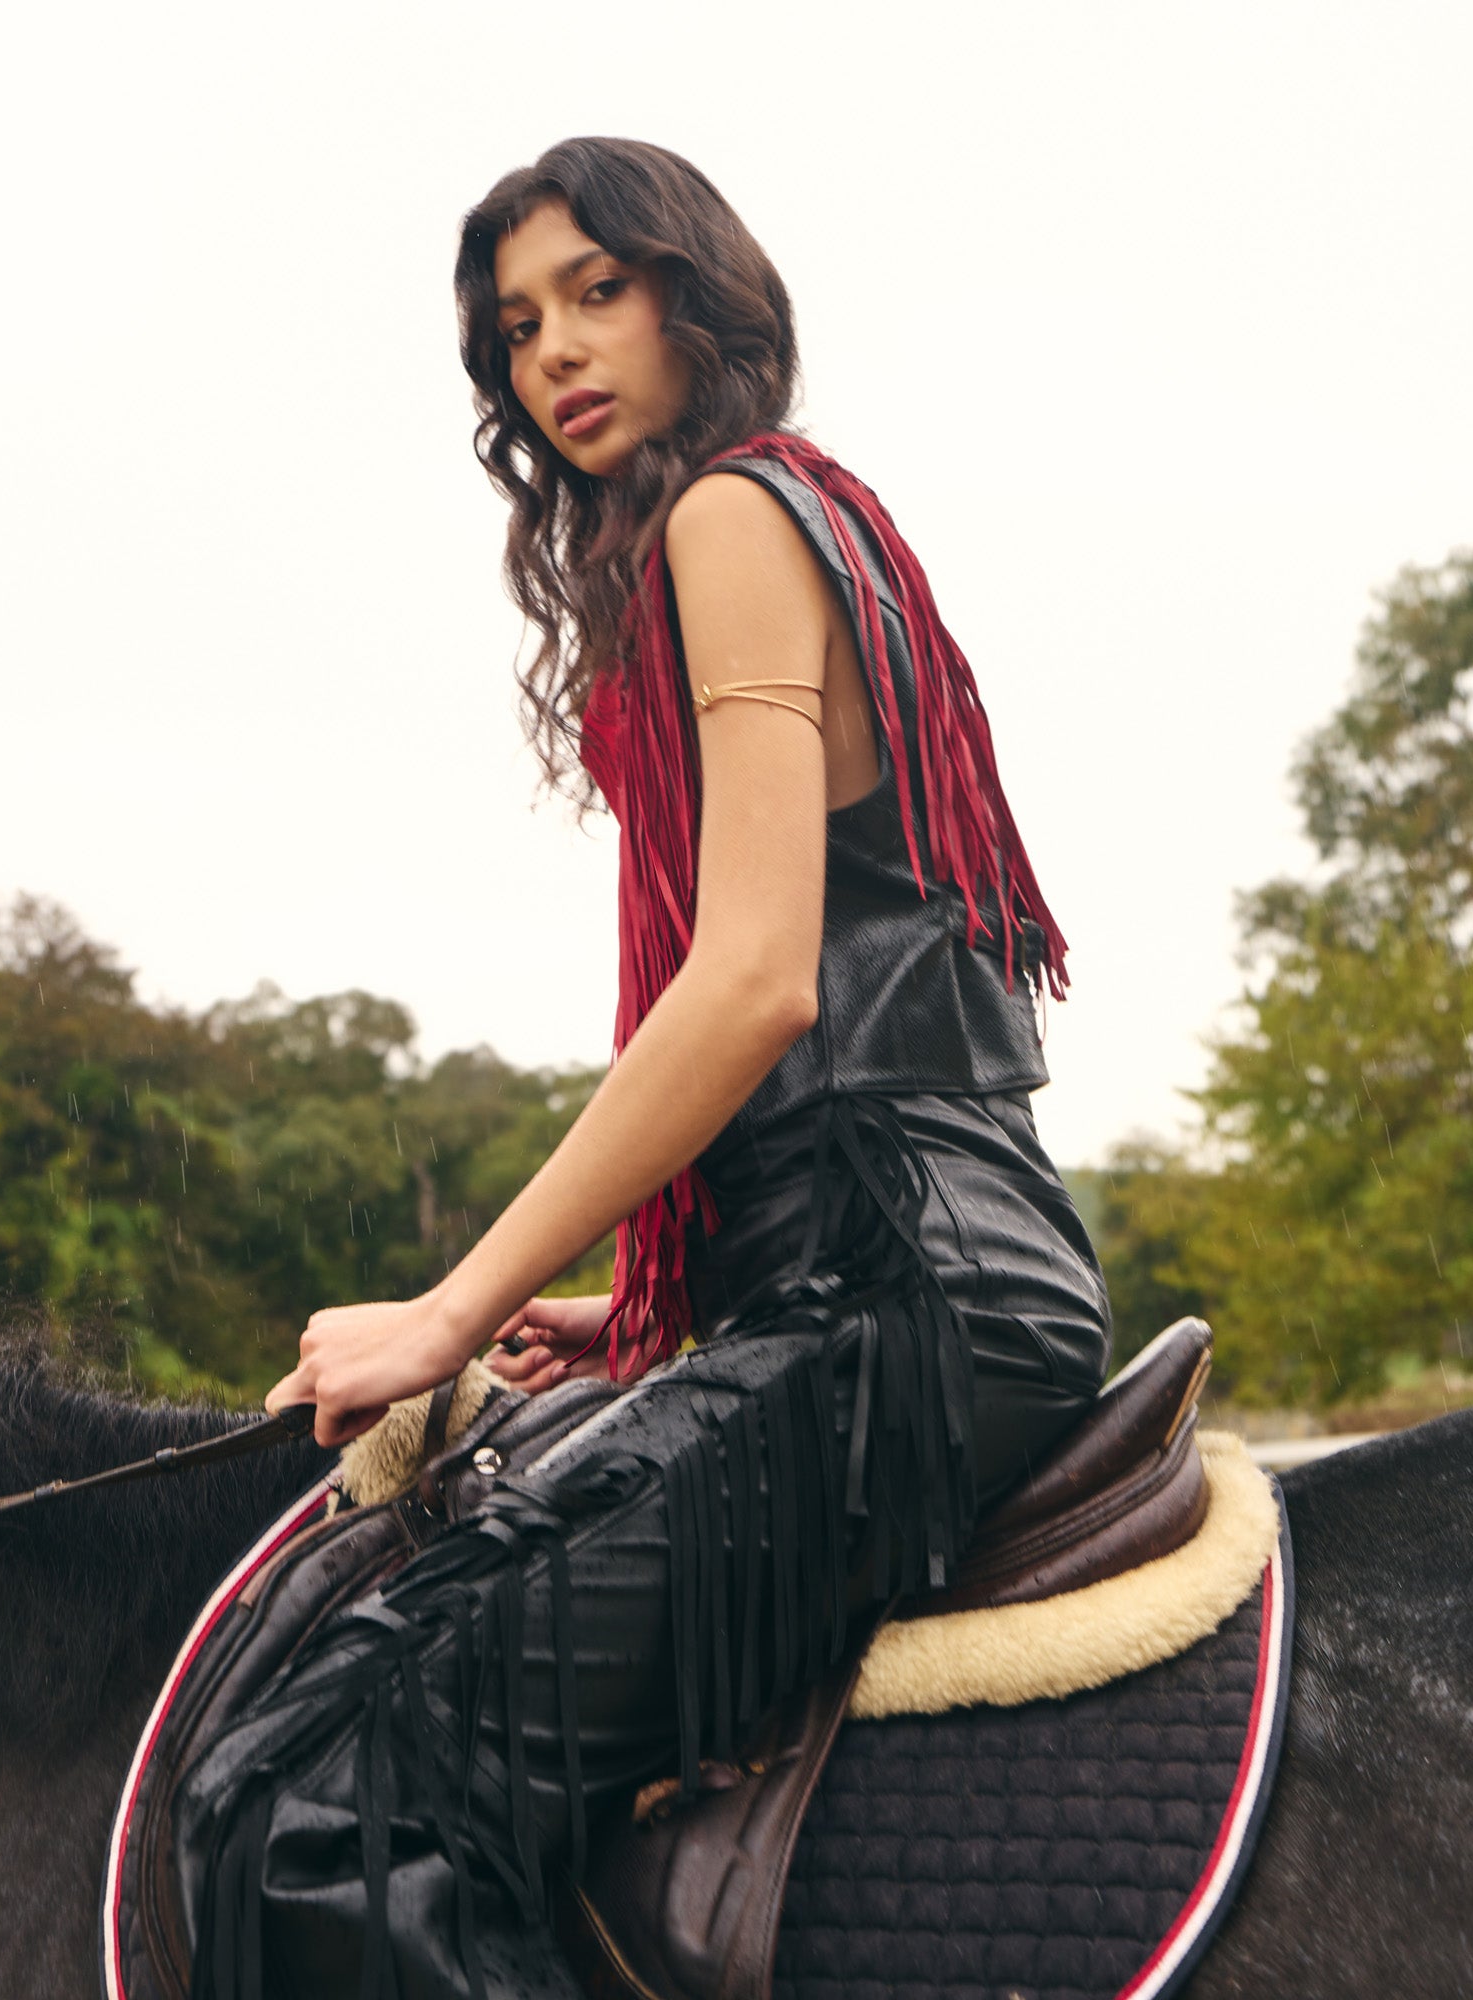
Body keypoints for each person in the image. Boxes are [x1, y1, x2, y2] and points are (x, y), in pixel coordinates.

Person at [176, 136, 1112, 1998]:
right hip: (880, 1278)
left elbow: (756, 980)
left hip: (910, 1305)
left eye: (597, 292)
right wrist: (647, 1308)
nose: (555, 353)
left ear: (698, 293)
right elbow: (856, 1031)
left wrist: (453, 1308)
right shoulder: (801, 514)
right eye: (518, 325)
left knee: (335, 1807)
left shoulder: (731, 520)